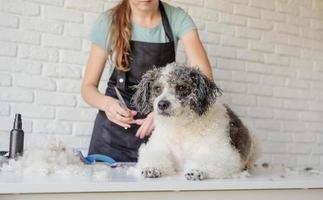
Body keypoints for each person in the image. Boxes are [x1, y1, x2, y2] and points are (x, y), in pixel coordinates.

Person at [81, 0, 213, 162]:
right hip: (111, 135)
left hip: (162, 133)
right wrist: (107, 104)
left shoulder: (177, 18)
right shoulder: (108, 21)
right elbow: (88, 88)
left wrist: (158, 116)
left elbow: (205, 81)